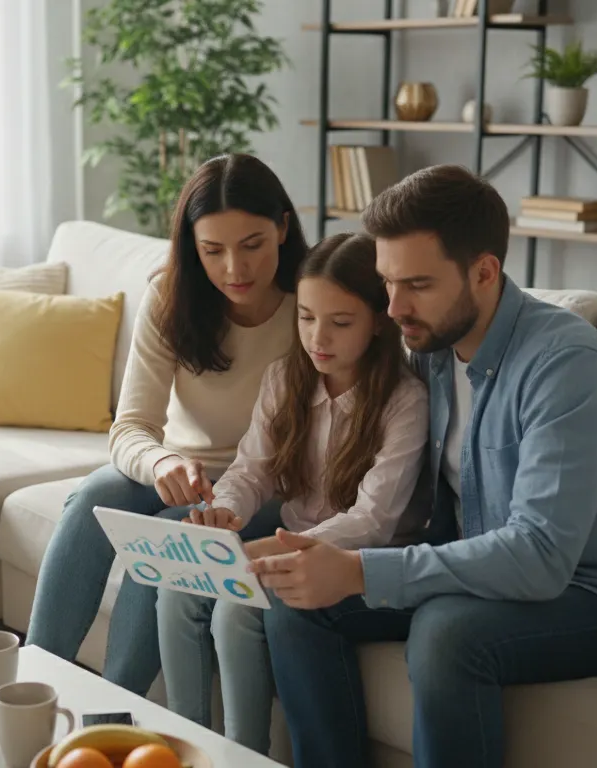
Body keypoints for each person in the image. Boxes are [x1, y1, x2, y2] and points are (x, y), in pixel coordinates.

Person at [249, 164, 597, 768]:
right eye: (387, 282)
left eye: (418, 285)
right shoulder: (430, 350)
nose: (394, 308)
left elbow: (538, 557)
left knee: (446, 632)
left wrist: (358, 571)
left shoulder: (566, 367)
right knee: (295, 600)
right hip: (487, 574)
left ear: (484, 272)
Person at [25, 153, 309, 696]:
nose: (235, 269)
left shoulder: (314, 302)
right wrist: (163, 460)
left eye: (252, 244)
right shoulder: (171, 296)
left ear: (283, 228)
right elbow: (130, 428)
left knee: (166, 536)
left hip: (270, 484)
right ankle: (31, 689)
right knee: (96, 495)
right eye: (213, 251)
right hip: (183, 469)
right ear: (191, 247)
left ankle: (110, 713)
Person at [156, 232, 428, 755]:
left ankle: (244, 754)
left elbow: (374, 521)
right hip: (291, 542)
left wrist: (274, 551)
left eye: (340, 322)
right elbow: (252, 470)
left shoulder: (404, 401)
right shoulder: (286, 378)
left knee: (237, 608)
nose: (317, 337)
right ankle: (186, 746)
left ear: (378, 321)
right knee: (178, 585)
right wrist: (223, 514)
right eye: (305, 317)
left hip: (361, 559)